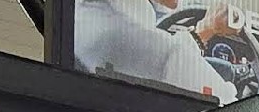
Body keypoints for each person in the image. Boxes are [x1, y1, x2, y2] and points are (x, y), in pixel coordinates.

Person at [75, 0, 240, 103]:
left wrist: (205, 30)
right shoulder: (116, 29)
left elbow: (159, 53)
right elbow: (227, 107)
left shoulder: (94, 13)